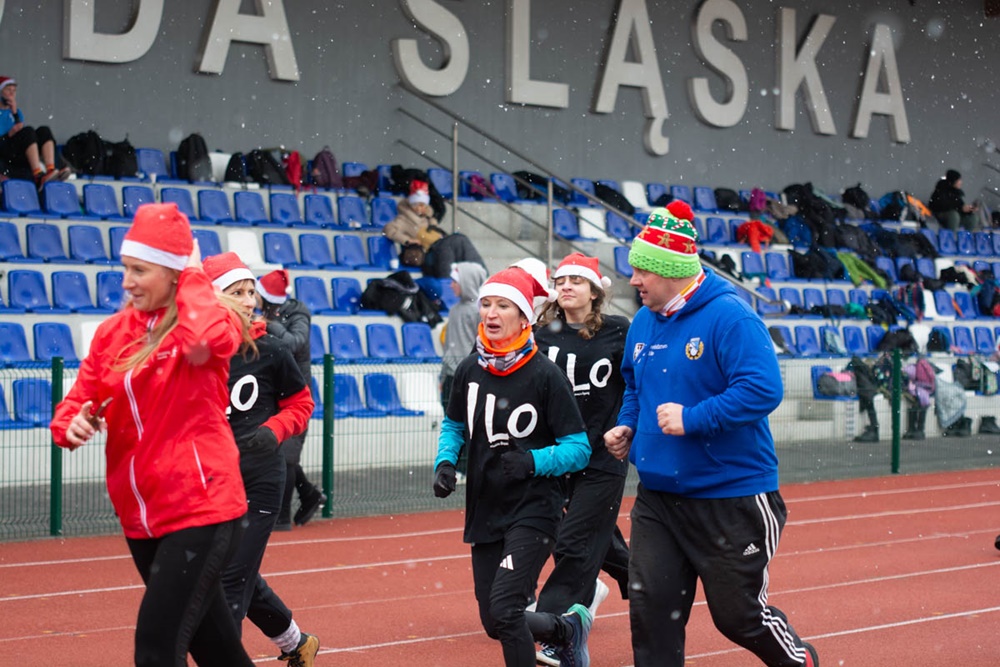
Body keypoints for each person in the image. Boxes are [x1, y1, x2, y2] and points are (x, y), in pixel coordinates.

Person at [604, 203, 819, 667]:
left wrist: (694, 418)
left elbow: (763, 389)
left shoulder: (731, 317)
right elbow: (635, 386)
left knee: (739, 617)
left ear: (672, 270)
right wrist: (628, 424)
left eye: (642, 270)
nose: (633, 280)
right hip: (659, 498)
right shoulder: (643, 320)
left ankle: (799, 662)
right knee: (652, 615)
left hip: (730, 496)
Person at [49, 203, 256, 667]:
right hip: (141, 516)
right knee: (217, 650)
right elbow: (77, 399)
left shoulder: (204, 322)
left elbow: (208, 342)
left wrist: (194, 275)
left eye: (140, 270)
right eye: (126, 268)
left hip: (201, 507)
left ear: (173, 272)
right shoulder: (112, 333)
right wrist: (71, 421)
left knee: (156, 648)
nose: (127, 281)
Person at [432, 266, 595, 667]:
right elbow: (454, 425)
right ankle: (566, 630)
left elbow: (579, 449)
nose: (491, 313)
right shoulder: (469, 369)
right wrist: (445, 461)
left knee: (506, 609)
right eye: (486, 303)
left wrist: (532, 461)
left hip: (534, 507)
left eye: (503, 305)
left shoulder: (545, 375)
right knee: (495, 621)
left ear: (524, 317)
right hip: (485, 506)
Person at [203, 253, 320, 666]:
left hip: (259, 480)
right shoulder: (196, 354)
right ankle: (296, 642)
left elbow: (302, 403)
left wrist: (273, 431)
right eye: (237, 292)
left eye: (251, 291)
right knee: (227, 571)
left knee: (230, 579)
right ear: (212, 297)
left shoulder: (270, 348)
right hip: (213, 481)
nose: (249, 300)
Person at [532, 252, 632, 666]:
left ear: (594, 291)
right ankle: (645, 581)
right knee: (586, 537)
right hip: (558, 456)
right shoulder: (540, 334)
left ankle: (553, 628)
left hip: (603, 455)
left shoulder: (619, 331)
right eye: (561, 281)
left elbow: (638, 384)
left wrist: (630, 428)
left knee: (574, 542)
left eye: (576, 280)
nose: (567, 286)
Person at [257, 269, 327, 530]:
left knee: (287, 455)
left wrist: (269, 325)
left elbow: (295, 342)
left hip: (296, 390)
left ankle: (281, 517)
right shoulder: (268, 314)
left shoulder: (297, 314)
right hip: (273, 389)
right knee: (279, 450)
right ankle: (309, 494)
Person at [439, 260, 489, 483]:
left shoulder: (478, 311)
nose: (451, 285)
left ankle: (468, 467)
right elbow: (448, 347)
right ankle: (457, 465)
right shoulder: (455, 310)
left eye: (455, 281)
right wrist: (443, 375)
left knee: (471, 423)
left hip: (471, 375)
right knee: (453, 422)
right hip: (452, 374)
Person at [0, 76, 70, 186]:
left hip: (17, 151)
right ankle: (38, 175)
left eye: (14, 91)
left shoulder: (16, 112)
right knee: (28, 131)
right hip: (4, 150)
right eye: (8, 90)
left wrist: (15, 113)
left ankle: (51, 169)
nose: (12, 94)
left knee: (44, 131)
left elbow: (19, 130)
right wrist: (8, 135)